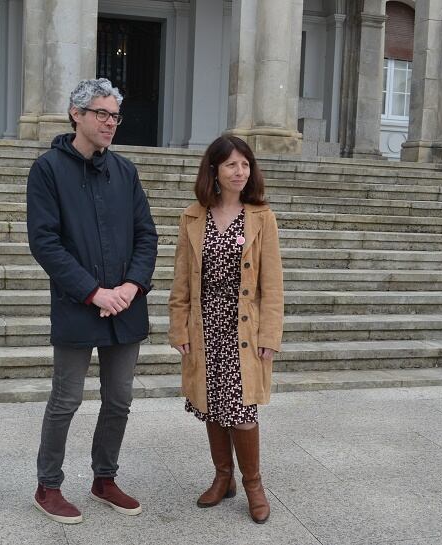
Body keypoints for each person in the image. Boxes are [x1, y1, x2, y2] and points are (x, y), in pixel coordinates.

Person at [26, 78, 158, 524]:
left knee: (119, 399)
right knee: (66, 400)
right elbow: (45, 243)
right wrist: (93, 291)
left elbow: (146, 236)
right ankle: (48, 486)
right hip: (77, 304)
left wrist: (131, 286)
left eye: (114, 115)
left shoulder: (125, 172)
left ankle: (105, 479)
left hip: (125, 306)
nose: (109, 122)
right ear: (75, 114)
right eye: (100, 113)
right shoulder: (47, 170)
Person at [168, 135, 284, 524]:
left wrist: (270, 336)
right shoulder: (193, 216)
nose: (240, 171)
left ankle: (253, 484)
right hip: (205, 326)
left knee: (243, 408)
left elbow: (273, 285)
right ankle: (223, 477)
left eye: (245, 164)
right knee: (212, 404)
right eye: (231, 164)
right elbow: (181, 282)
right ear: (214, 170)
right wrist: (179, 328)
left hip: (244, 328)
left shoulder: (261, 216)